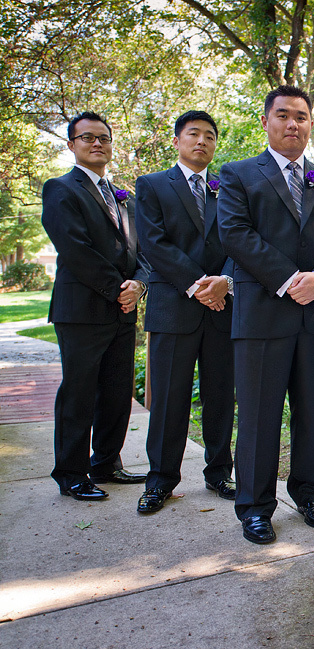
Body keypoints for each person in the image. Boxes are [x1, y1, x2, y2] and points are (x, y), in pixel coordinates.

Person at [217, 86, 314, 544]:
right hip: (262, 314)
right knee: (258, 414)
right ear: (266, 121)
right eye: (283, 115)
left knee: (311, 410)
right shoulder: (237, 175)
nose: (293, 123)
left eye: (301, 116)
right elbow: (235, 233)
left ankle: (308, 491)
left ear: (310, 123)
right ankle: (255, 506)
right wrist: (290, 278)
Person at [41, 111, 149, 500]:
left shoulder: (125, 198)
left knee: (117, 391)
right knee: (80, 391)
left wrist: (138, 284)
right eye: (87, 138)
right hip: (82, 309)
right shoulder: (60, 189)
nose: (97, 143)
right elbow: (75, 249)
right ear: (72, 145)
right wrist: (116, 289)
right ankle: (71, 473)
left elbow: (142, 250)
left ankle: (105, 463)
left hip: (123, 308)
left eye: (103, 137)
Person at [134, 110, 236, 514]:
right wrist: (198, 286)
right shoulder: (153, 185)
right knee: (169, 399)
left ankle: (218, 473)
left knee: (219, 396)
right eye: (193, 134)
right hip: (174, 306)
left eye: (210, 136)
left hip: (221, 308)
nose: (202, 142)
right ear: (177, 140)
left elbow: (237, 241)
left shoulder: (225, 189)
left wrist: (223, 283)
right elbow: (154, 244)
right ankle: (159, 480)